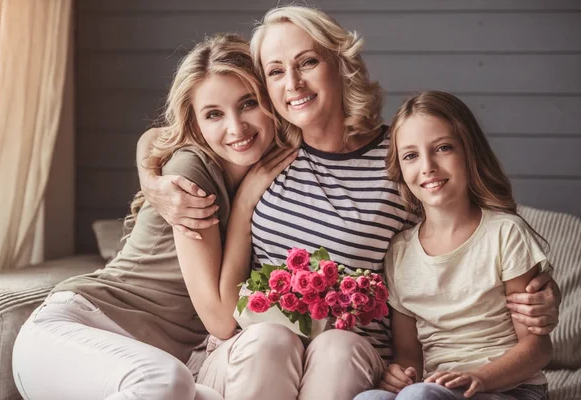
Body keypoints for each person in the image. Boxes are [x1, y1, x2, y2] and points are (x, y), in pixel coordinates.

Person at [136, 6, 561, 400]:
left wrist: (540, 289)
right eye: (276, 71)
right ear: (264, 86)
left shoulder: (402, 156)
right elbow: (165, 138)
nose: (294, 84)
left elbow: (477, 233)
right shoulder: (260, 147)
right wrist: (153, 179)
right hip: (257, 352)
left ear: (341, 63)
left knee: (338, 346)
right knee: (270, 338)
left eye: (308, 62)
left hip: (356, 358)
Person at [11, 33, 296, 400]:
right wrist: (242, 208)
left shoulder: (277, 171)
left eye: (248, 104)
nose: (236, 127)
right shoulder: (192, 172)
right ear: (195, 122)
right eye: (214, 114)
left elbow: (153, 137)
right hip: (75, 334)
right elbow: (221, 320)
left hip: (155, 363)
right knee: (164, 381)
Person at [354, 91, 552, 400]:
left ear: (469, 152)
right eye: (411, 155)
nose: (428, 166)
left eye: (443, 148)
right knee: (370, 398)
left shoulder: (504, 233)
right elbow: (409, 357)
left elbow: (538, 347)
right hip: (436, 389)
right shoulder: (400, 252)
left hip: (510, 386)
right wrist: (399, 374)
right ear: (400, 170)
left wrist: (478, 378)